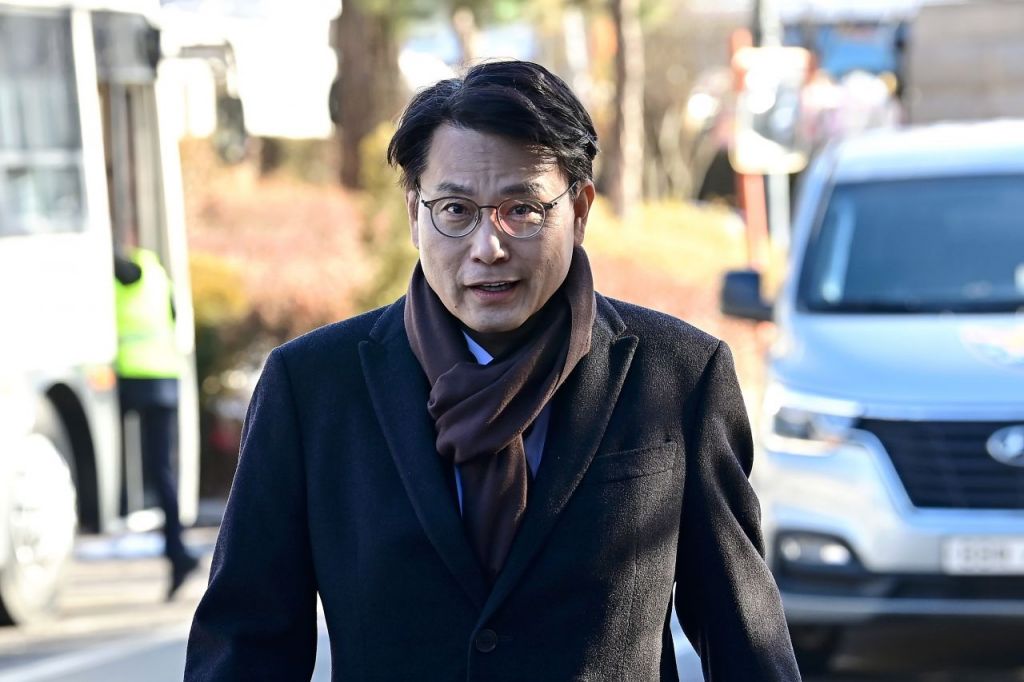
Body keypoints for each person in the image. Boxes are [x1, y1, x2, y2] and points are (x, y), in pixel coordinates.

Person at [185, 60, 800, 680]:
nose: (489, 247)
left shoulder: (679, 376)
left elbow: (744, 637)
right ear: (414, 214)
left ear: (580, 210)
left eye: (523, 209)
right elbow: (246, 644)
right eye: (455, 209)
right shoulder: (313, 388)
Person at [114, 246, 198, 600]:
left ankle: (175, 552)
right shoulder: (155, 272)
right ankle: (178, 554)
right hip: (166, 380)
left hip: (133, 381)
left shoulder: (123, 274)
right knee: (162, 471)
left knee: (123, 462)